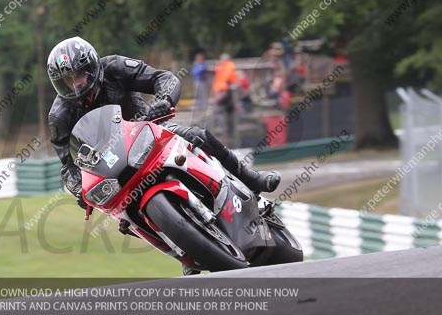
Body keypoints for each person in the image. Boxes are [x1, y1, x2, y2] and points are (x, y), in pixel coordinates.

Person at [46, 37, 280, 214]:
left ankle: (251, 179)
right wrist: (80, 189)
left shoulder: (115, 67)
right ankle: (185, 251)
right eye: (68, 81)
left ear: (92, 67)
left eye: (79, 75)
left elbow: (162, 78)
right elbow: (68, 165)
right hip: (111, 166)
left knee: (197, 134)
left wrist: (163, 101)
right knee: (122, 214)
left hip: (148, 131)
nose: (76, 85)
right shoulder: (59, 116)